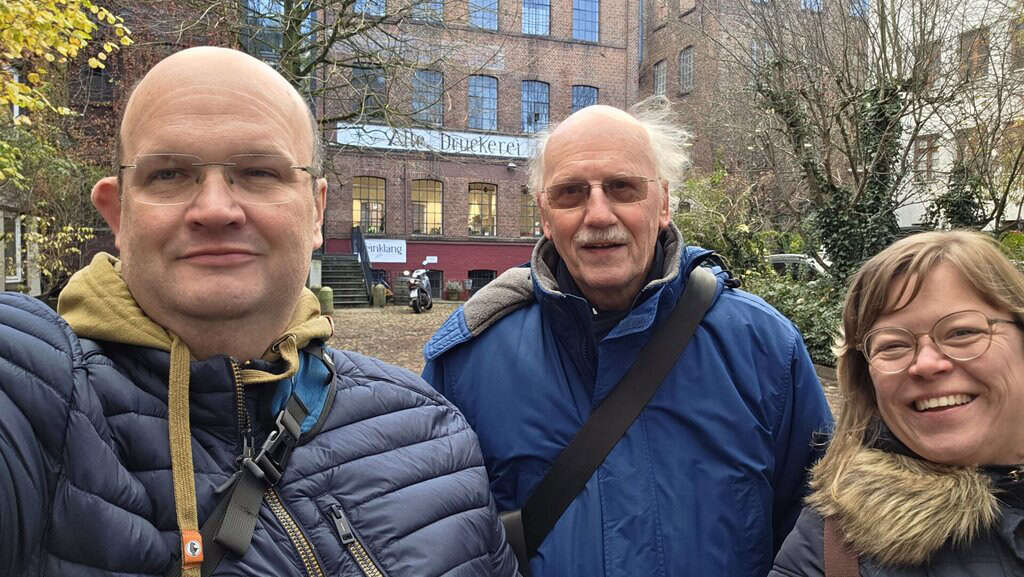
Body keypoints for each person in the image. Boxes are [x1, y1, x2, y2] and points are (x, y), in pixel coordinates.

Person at [0, 46, 518, 577]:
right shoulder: (39, 394)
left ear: (317, 211)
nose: (216, 210)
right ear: (117, 211)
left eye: (258, 172)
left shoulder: (434, 432)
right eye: (169, 174)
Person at [421, 102, 833, 577]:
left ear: (662, 203)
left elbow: (813, 540)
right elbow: (445, 546)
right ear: (546, 216)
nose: (598, 214)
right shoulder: (469, 359)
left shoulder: (764, 348)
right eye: (571, 193)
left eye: (622, 188)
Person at [770, 230, 1024, 576]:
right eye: (893, 345)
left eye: (962, 332)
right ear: (868, 379)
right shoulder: (834, 546)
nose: (927, 364)